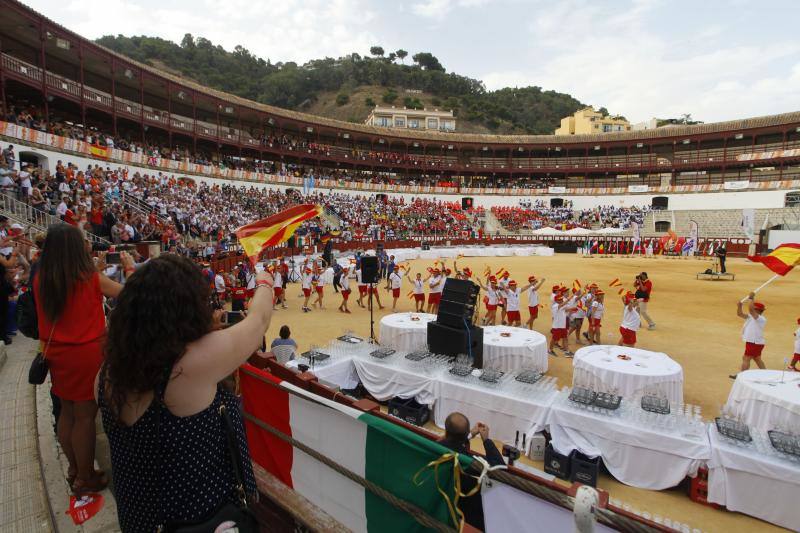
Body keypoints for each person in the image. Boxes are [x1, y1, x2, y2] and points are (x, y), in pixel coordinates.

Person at [98, 254, 273, 531]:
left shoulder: (109, 369)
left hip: (140, 520)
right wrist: (264, 280)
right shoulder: (187, 366)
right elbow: (259, 321)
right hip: (202, 520)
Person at [34, 224, 133, 494]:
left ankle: (75, 468)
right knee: (85, 417)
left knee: (67, 412)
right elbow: (126, 294)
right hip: (85, 354)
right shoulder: (88, 276)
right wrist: (130, 267)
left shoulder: (43, 276)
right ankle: (86, 476)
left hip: (56, 353)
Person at [437, 412, 504, 532]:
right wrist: (486, 440)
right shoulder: (474, 465)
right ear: (465, 432)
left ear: (446, 431)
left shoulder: (435, 448)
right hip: (467, 514)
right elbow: (500, 470)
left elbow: (451, 443)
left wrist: (469, 435)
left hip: (441, 502)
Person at [732, 292, 767, 378]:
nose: (753, 309)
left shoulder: (760, 319)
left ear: (758, 310)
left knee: (746, 358)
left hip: (754, 342)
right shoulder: (752, 317)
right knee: (757, 359)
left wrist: (751, 298)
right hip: (755, 342)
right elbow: (739, 314)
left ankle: (741, 376)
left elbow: (751, 310)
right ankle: (766, 373)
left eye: (755, 308)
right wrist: (739, 306)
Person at [548, 291, 573, 357]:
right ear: (556, 300)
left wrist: (572, 309)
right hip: (557, 326)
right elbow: (562, 306)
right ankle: (550, 350)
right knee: (554, 339)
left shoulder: (560, 305)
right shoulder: (555, 306)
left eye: (561, 299)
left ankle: (567, 351)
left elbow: (565, 310)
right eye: (560, 299)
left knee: (565, 338)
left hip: (562, 326)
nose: (562, 300)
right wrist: (569, 299)